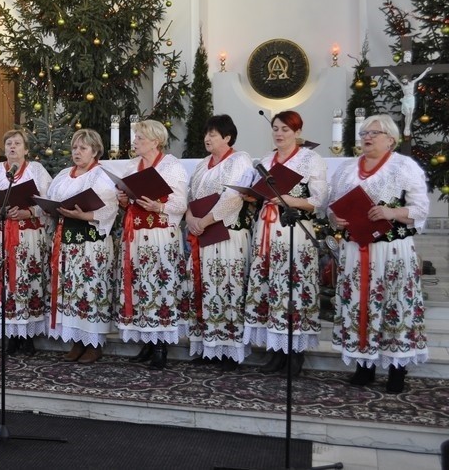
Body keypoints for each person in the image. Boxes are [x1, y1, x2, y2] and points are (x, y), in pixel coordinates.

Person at [328, 114, 429, 393]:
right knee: (359, 305)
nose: (367, 137)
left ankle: (397, 370)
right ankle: (364, 365)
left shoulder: (404, 166)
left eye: (374, 133)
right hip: (355, 249)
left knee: (394, 304)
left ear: (391, 139)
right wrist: (336, 219)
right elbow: (332, 206)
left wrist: (392, 212)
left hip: (391, 250)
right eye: (363, 133)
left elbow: (420, 209)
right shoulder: (347, 168)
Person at [243, 111, 328, 376]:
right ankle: (276, 351)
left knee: (294, 288)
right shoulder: (267, 160)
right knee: (271, 289)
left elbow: (319, 200)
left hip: (294, 230)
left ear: (298, 132)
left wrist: (290, 200)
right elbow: (258, 192)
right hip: (267, 228)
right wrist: (251, 195)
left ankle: (295, 354)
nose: (279, 134)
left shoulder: (310, 159)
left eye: (285, 130)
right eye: (275, 129)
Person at [115, 120, 189, 371]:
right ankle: (146, 340)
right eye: (135, 137)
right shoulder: (131, 166)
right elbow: (126, 202)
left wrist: (159, 206)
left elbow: (181, 204)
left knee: (160, 285)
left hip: (160, 234)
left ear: (155, 141)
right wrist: (123, 198)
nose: (135, 141)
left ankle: (161, 346)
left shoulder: (171, 166)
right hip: (135, 233)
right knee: (138, 286)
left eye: (140, 138)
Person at [183, 114, 254, 371]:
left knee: (227, 288)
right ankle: (209, 347)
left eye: (213, 134)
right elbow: (190, 195)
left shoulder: (240, 159)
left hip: (226, 234)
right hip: (203, 233)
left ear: (227, 137)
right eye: (206, 133)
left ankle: (229, 350)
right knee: (205, 288)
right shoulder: (203, 164)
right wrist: (191, 218)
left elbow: (234, 197)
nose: (207, 138)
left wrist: (206, 221)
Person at [44, 129, 119, 364]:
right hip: (68, 242)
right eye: (75, 148)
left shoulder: (101, 176)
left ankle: (94, 344)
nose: (77, 152)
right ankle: (77, 341)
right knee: (71, 292)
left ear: (95, 151)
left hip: (91, 244)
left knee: (90, 291)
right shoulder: (65, 174)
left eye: (83, 148)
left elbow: (110, 209)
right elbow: (51, 198)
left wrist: (85, 214)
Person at [0, 129, 52, 355]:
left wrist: (29, 212)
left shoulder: (37, 170)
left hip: (27, 235)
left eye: (17, 143)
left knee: (27, 280)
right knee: (3, 280)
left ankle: (27, 335)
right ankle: (9, 333)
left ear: (26, 149)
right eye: (9, 143)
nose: (12, 147)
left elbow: (47, 200)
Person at [384, 67, 431, 137]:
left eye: (404, 80)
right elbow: (395, 78)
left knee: (410, 113)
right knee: (407, 113)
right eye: (402, 80)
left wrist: (426, 71)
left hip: (411, 99)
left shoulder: (412, 83)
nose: (403, 81)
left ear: (407, 79)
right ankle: (406, 127)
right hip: (405, 99)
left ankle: (407, 126)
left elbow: (419, 77)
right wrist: (389, 72)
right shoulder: (402, 85)